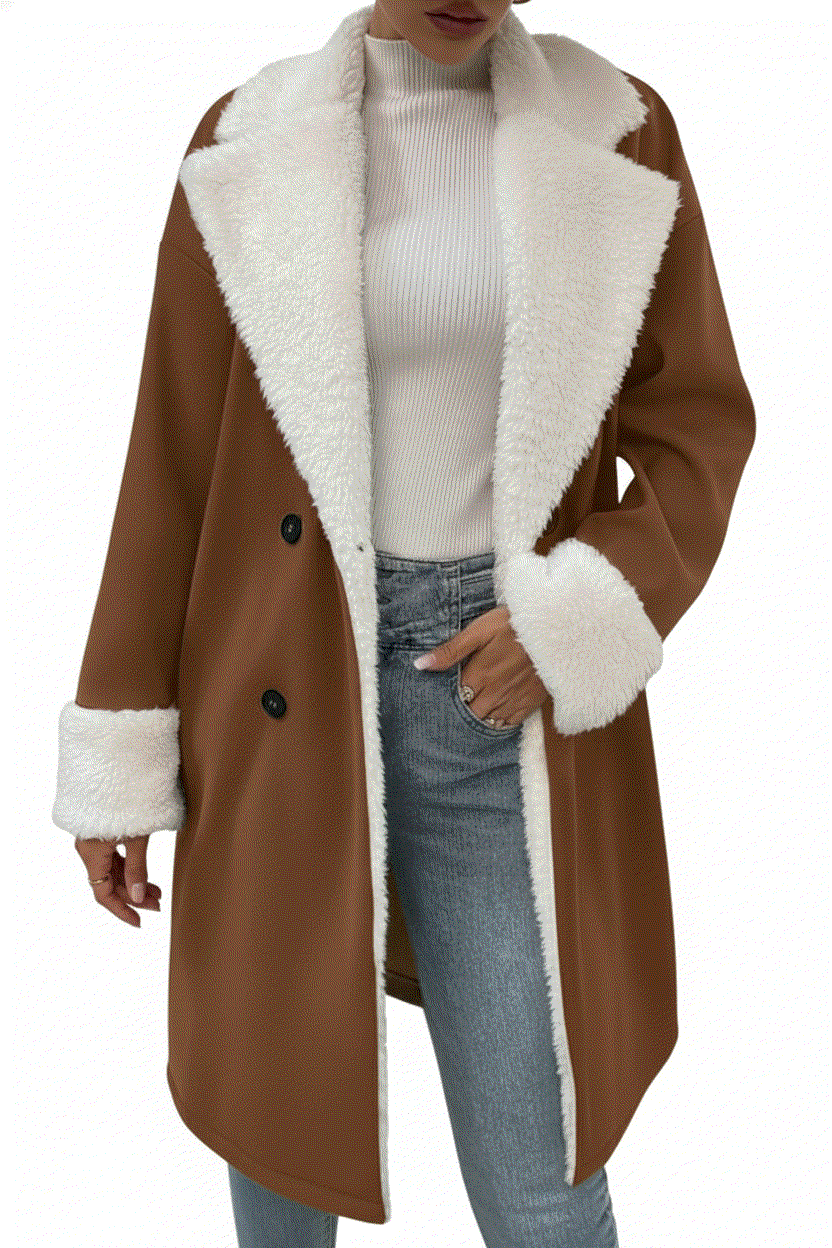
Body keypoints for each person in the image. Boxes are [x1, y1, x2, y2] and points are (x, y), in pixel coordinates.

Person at [53, 3, 756, 1246]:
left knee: (541, 1191)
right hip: (276, 691)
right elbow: (173, 455)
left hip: (496, 696)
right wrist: (120, 748)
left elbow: (698, 425)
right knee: (280, 1147)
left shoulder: (617, 128)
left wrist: (573, 618)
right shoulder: (246, 137)